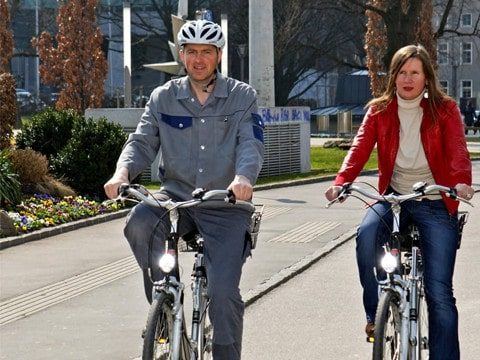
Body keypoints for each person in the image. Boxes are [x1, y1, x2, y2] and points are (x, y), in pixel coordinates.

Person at [104, 19, 264, 360]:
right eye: (192, 52)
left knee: (223, 294)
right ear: (182, 55)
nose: (199, 59)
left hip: (226, 204)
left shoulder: (241, 96)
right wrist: (122, 173)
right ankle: (166, 300)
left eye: (207, 52)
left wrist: (244, 179)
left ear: (218, 56)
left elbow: (251, 144)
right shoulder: (164, 97)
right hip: (176, 198)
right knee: (140, 220)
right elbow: (142, 142)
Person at [324, 44, 473, 360]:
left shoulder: (445, 110)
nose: (408, 79)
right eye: (402, 72)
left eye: (414, 73)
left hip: (435, 200)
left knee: (440, 294)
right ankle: (376, 312)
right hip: (394, 199)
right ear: (393, 77)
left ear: (425, 78)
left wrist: (461, 183)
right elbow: (360, 148)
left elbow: (459, 149)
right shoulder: (379, 110)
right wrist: (341, 183)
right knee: (365, 237)